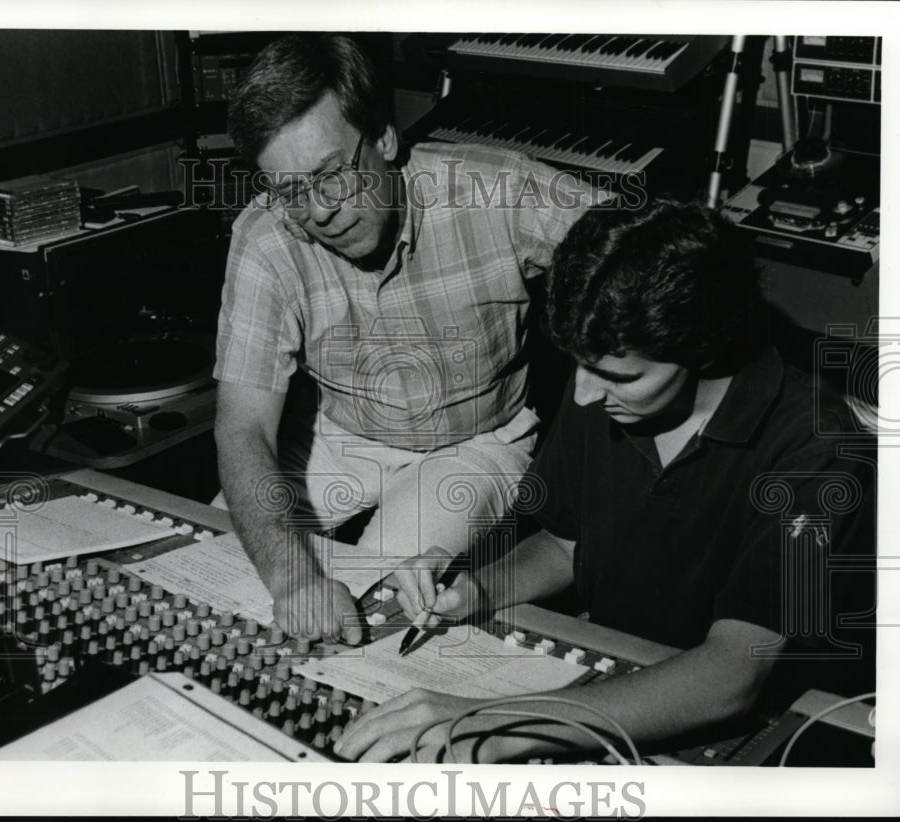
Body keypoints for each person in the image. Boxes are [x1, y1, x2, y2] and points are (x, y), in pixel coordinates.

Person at [338, 198, 876, 763]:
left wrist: (493, 723)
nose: (584, 395)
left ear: (705, 346)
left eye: (617, 375)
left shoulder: (817, 450)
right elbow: (566, 544)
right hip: (608, 679)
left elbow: (732, 674)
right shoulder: (608, 387)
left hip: (740, 725)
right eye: (579, 365)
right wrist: (475, 591)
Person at [213, 34, 603, 646]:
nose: (318, 211)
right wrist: (291, 577)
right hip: (336, 435)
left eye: (331, 175)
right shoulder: (265, 238)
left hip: (471, 442)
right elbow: (243, 428)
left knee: (378, 612)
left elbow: (651, 255)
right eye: (291, 192)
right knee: (213, 564)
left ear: (387, 138)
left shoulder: (494, 191)